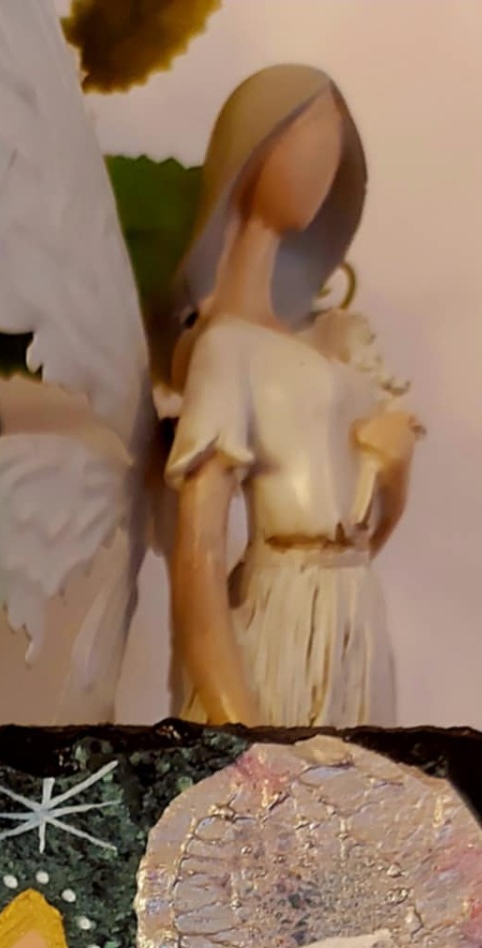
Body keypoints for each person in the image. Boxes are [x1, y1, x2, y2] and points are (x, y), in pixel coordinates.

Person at [165, 66, 421, 727]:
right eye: (310, 132)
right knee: (283, 785)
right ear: (254, 144)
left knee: (353, 785)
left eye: (335, 142)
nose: (324, 161)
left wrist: (394, 473)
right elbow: (197, 561)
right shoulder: (227, 347)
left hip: (353, 620)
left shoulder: (329, 342)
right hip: (282, 616)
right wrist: (238, 726)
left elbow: (366, 533)